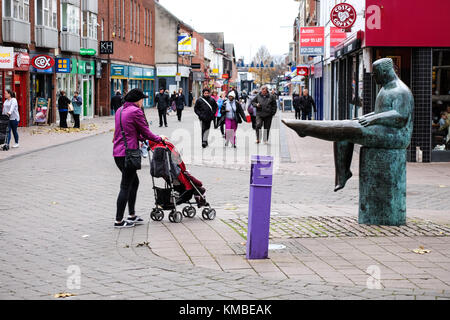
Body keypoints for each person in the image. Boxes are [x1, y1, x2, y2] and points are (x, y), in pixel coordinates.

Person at [113, 88, 167, 228]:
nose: (143, 102)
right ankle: (119, 220)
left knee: (133, 182)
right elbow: (145, 131)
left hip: (118, 153)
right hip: (129, 153)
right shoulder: (136, 111)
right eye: (142, 99)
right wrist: (159, 138)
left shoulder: (119, 111)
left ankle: (131, 215)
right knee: (125, 185)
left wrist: (143, 139)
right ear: (138, 100)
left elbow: (131, 131)